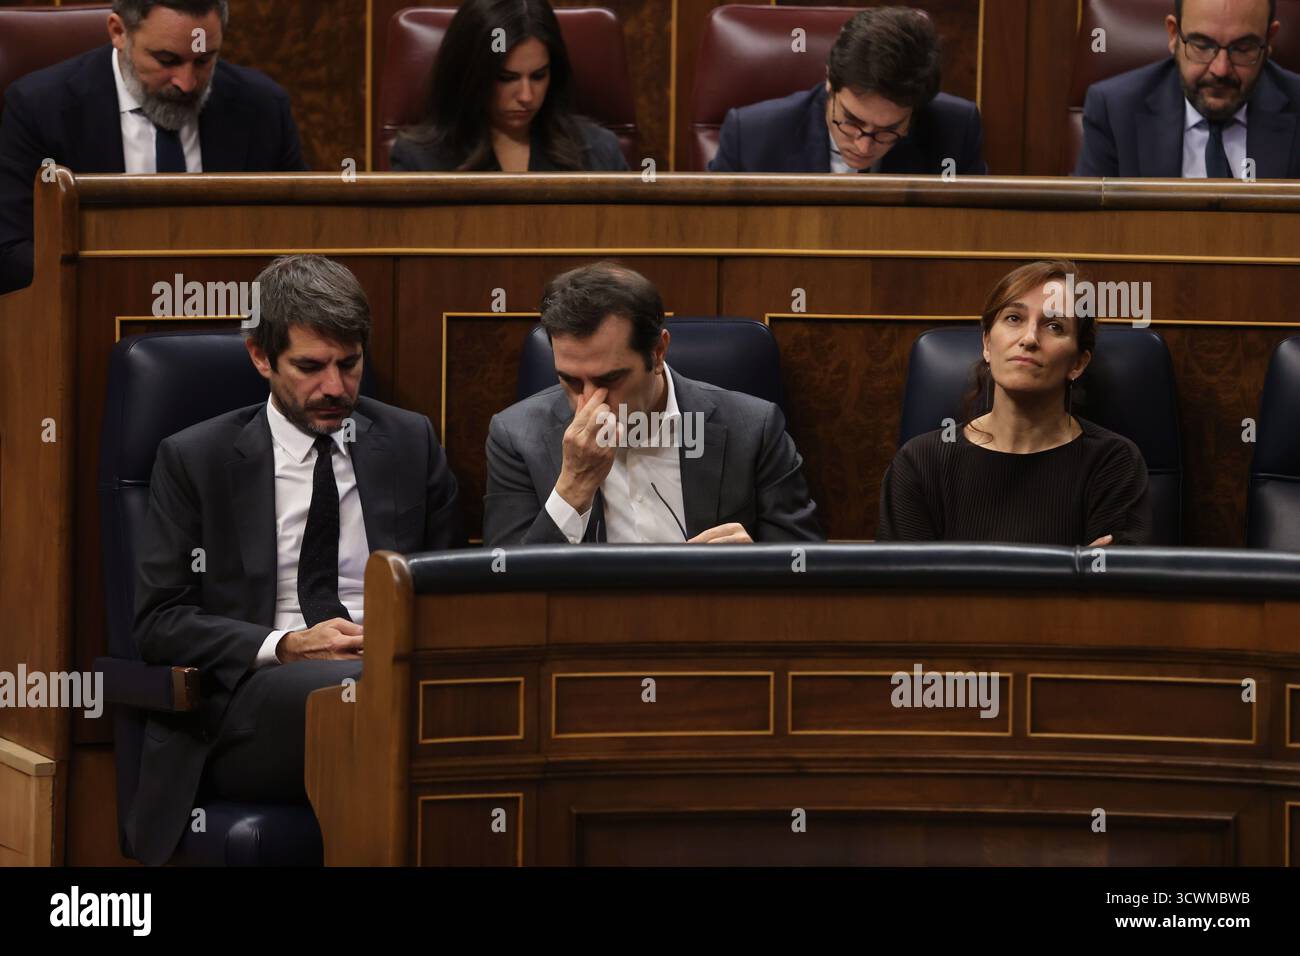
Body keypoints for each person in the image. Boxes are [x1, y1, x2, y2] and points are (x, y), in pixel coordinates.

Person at [129, 255, 460, 866]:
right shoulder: (196, 459)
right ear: (260, 356)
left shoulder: (410, 442)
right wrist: (286, 644)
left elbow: (451, 591)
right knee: (364, 695)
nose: (335, 388)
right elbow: (159, 623)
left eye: (349, 364)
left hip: (396, 673)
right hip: (250, 701)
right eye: (310, 367)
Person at [484, 261, 821, 545]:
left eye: (609, 380)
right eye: (570, 381)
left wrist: (756, 569)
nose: (589, 405)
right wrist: (572, 489)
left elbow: (806, 574)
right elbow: (504, 591)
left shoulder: (755, 429)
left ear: (658, 352)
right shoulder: (515, 437)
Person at [0, 0, 307, 295]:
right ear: (119, 32)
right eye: (167, 60)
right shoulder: (41, 108)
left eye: (203, 60)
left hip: (231, 319)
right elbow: (11, 252)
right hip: (96, 314)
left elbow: (300, 241)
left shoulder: (263, 108)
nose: (186, 83)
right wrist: (136, 287)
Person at [877, 259, 1152, 546]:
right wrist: (1070, 573)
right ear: (986, 343)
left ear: (1078, 363)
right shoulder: (921, 462)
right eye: (1014, 319)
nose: (1029, 338)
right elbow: (906, 587)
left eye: (1055, 326)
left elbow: (1111, 587)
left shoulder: (1113, 463)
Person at [707, 6, 986, 175]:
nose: (864, 146)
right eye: (852, 121)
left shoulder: (956, 131)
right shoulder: (752, 137)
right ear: (830, 79)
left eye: (888, 130)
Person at [390, 0, 628, 172]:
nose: (526, 96)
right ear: (470, 75)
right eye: (506, 78)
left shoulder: (599, 152)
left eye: (538, 76)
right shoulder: (419, 159)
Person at [1075, 0, 1300, 178]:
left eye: (1242, 48)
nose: (1221, 70)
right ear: (1174, 35)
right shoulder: (1114, 111)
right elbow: (1092, 228)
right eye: (1202, 46)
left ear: (1269, 39)